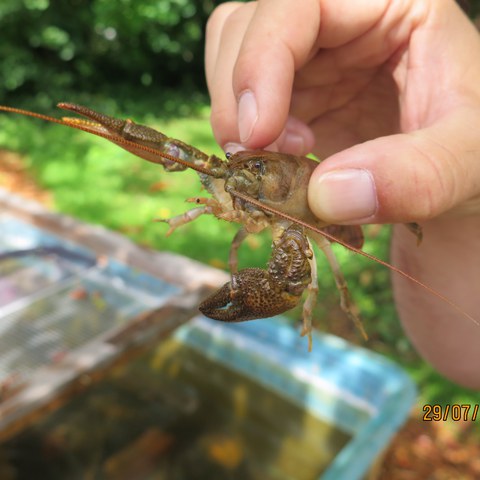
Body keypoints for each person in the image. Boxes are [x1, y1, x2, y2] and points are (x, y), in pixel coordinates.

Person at [204, 0, 480, 388]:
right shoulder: (257, 194)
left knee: (306, 277)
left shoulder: (302, 230)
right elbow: (469, 362)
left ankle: (334, 311)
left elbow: (291, 286)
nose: (248, 173)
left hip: (336, 229)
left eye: (257, 168)